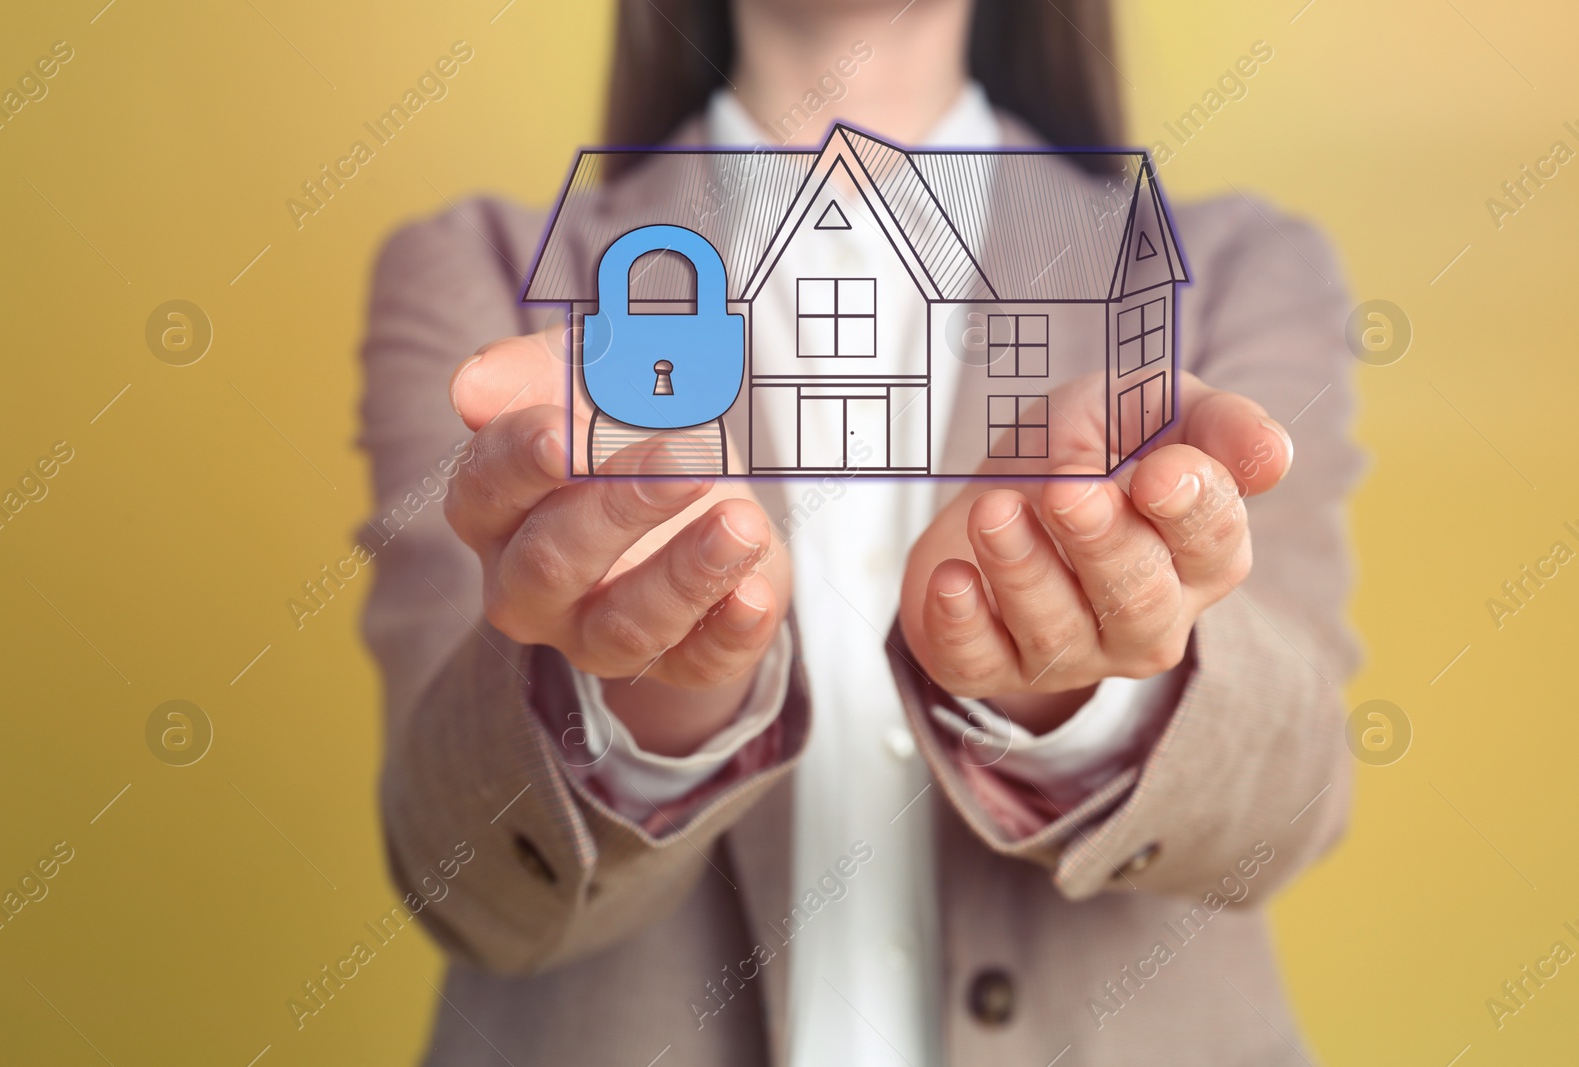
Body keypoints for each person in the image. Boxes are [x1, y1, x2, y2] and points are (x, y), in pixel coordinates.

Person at [360, 0, 1362, 1063]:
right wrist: (648, 688)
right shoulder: (482, 266)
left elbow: (1284, 812)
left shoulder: (1237, 262)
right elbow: (462, 879)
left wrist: (1069, 678)